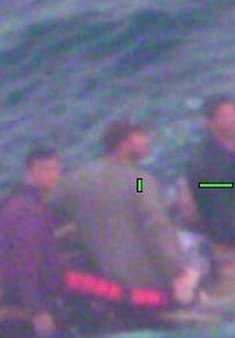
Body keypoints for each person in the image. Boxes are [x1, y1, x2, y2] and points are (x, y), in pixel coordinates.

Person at [52, 121, 200, 304]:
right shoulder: (138, 181)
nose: (147, 141)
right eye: (141, 137)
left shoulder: (77, 180)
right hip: (145, 285)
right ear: (124, 143)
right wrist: (177, 271)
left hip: (106, 284)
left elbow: (49, 207)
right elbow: (154, 224)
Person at [0, 145, 65, 338]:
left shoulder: (7, 202)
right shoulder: (139, 181)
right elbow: (24, 259)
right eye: (49, 169)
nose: (55, 176)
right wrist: (36, 310)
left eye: (56, 169)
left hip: (8, 284)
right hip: (32, 292)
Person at [177, 95, 235, 251]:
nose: (232, 120)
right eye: (224, 116)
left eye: (234, 114)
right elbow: (220, 209)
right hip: (219, 223)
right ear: (211, 123)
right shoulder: (206, 162)